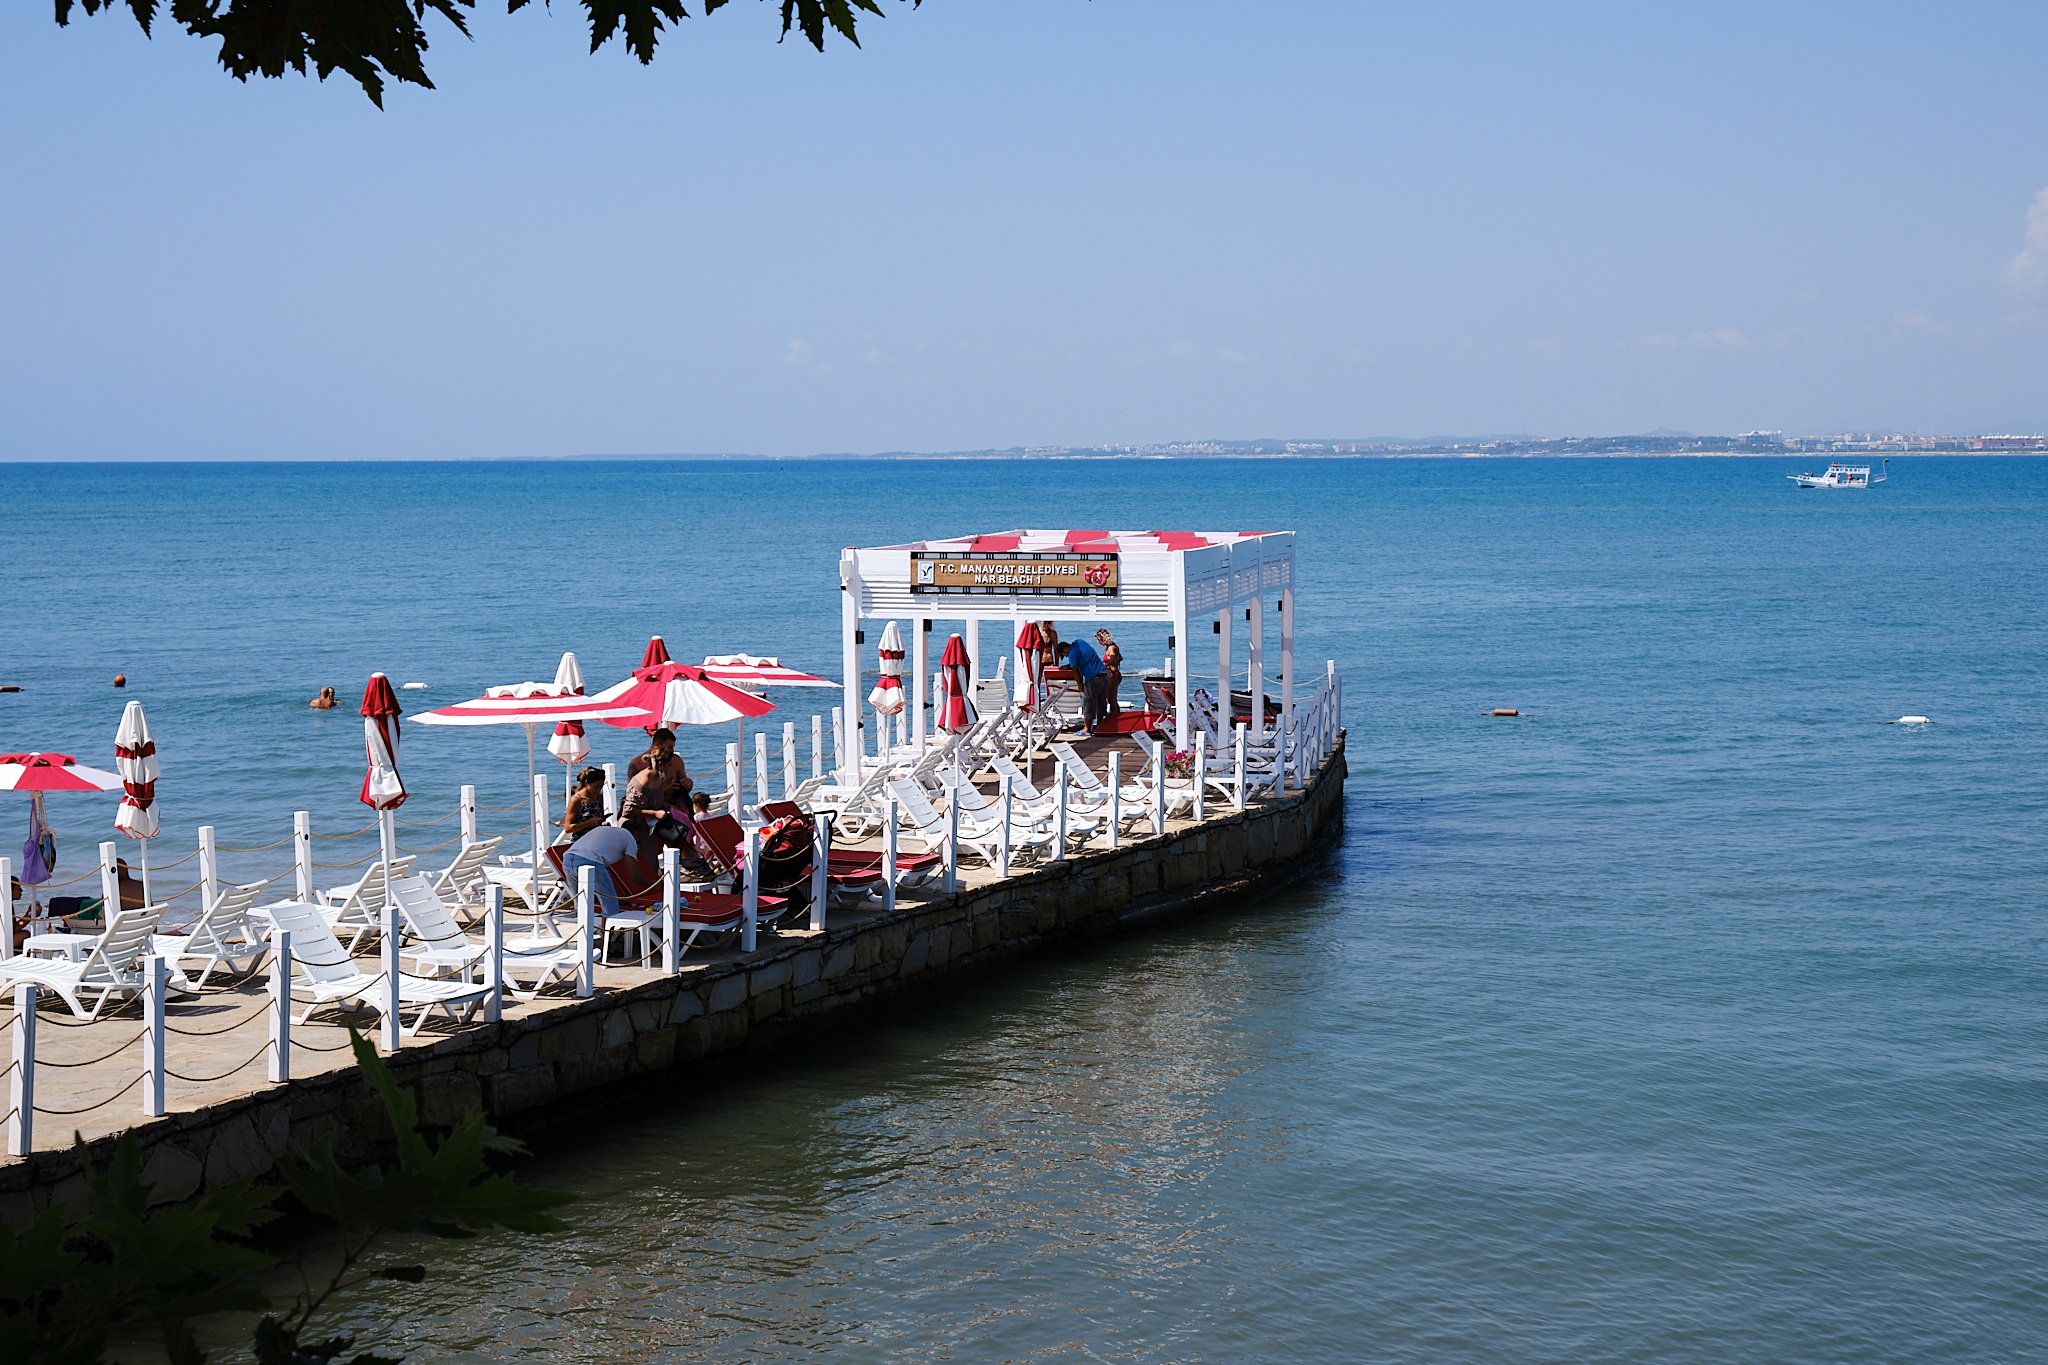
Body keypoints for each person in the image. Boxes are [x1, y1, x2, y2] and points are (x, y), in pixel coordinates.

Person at [621, 728, 691, 835]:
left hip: (661, 819)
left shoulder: (668, 767)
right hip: (639, 826)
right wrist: (655, 811)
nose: (672, 751)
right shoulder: (639, 771)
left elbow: (652, 800)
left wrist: (687, 784)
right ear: (657, 745)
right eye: (669, 747)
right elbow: (630, 806)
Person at [562, 822, 636, 919]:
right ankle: (607, 928)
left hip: (567, 859)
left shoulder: (605, 830)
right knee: (610, 905)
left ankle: (583, 926)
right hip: (590, 861)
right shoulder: (629, 837)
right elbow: (634, 875)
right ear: (637, 834)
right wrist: (650, 884)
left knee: (580, 902)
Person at [1058, 637, 1110, 739]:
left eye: (1065, 655)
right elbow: (1083, 658)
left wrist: (1080, 687)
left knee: (1089, 702)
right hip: (1104, 674)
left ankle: (1086, 729)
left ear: (1064, 650)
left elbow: (1076, 672)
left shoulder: (1072, 654)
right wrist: (1069, 665)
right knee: (1101, 701)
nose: (1067, 656)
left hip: (1093, 678)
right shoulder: (1080, 642)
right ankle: (1100, 726)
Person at [557, 767, 607, 845]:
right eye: (596, 787)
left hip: (597, 840)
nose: (598, 790)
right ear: (586, 783)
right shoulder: (576, 800)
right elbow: (568, 828)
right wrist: (588, 823)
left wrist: (603, 822)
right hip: (580, 843)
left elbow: (600, 817)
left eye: (601, 787)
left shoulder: (599, 797)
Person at [1096, 629, 1123, 720]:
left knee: (1111, 699)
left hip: (1113, 675)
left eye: (1099, 640)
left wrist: (1103, 665)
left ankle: (1114, 719)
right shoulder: (1112, 647)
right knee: (1112, 698)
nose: (1098, 642)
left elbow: (1113, 659)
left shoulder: (1111, 648)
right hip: (1114, 674)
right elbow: (1120, 658)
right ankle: (1117, 717)